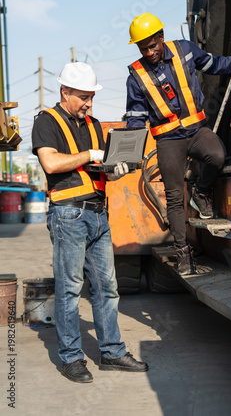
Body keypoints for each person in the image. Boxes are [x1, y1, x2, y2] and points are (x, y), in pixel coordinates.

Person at [32, 61, 148, 383]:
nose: (89, 104)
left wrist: (115, 167)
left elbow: (100, 169)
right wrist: (91, 155)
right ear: (65, 92)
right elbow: (51, 163)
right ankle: (71, 358)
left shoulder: (94, 124)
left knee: (107, 288)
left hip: (98, 214)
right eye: (83, 97)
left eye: (92, 97)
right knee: (70, 290)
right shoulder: (46, 121)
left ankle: (111, 351)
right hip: (68, 215)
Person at [126, 13, 231, 276]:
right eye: (142, 48)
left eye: (152, 45)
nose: (148, 52)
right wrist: (129, 148)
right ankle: (183, 251)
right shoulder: (136, 76)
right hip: (168, 140)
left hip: (196, 131)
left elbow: (214, 64)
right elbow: (135, 117)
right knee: (173, 196)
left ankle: (201, 193)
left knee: (216, 155)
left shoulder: (185, 50)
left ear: (161, 37)